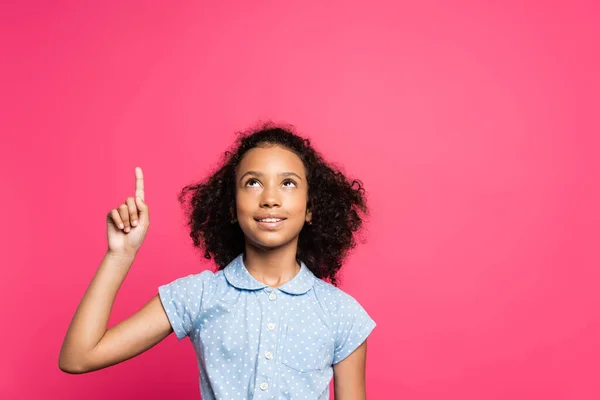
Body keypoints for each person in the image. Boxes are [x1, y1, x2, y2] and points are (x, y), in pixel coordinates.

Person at [59, 123, 376, 399]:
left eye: (288, 183)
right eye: (252, 182)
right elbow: (78, 357)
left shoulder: (341, 314)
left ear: (310, 209)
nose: (269, 198)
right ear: (230, 207)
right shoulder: (198, 296)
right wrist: (120, 254)